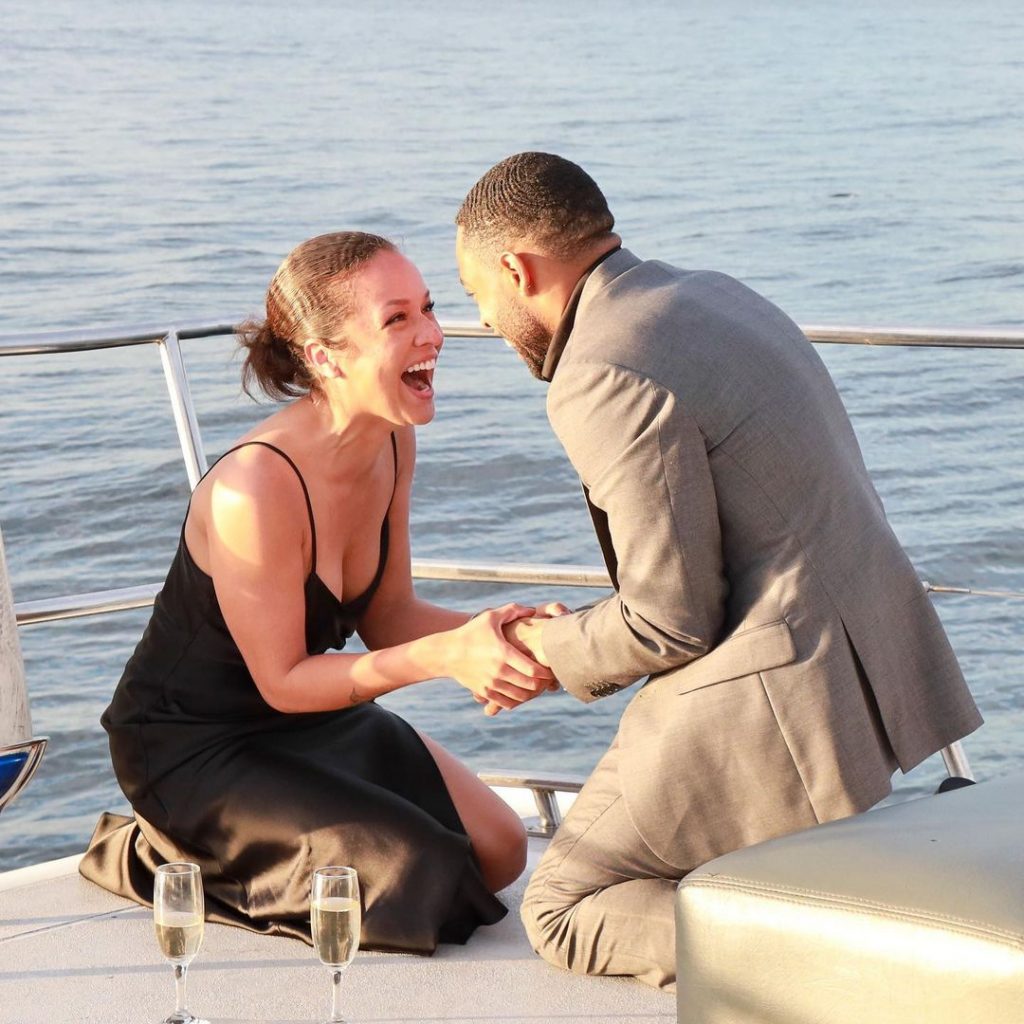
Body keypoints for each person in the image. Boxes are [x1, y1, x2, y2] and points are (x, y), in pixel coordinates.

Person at [454, 152, 983, 989]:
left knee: (561, 903)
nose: (481, 321)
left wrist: (541, 651)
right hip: (866, 643)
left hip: (785, 688)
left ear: (517, 269)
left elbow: (670, 620)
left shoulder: (599, 369)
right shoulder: (711, 291)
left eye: (477, 294)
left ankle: (841, 966)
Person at [80, 231, 561, 955]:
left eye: (427, 309)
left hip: (316, 713)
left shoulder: (394, 440)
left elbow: (390, 616)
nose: (433, 333)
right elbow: (282, 680)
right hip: (195, 743)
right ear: (324, 356)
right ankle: (149, 853)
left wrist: (511, 636)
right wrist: (445, 657)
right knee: (423, 880)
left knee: (498, 851)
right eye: (397, 320)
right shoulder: (256, 485)